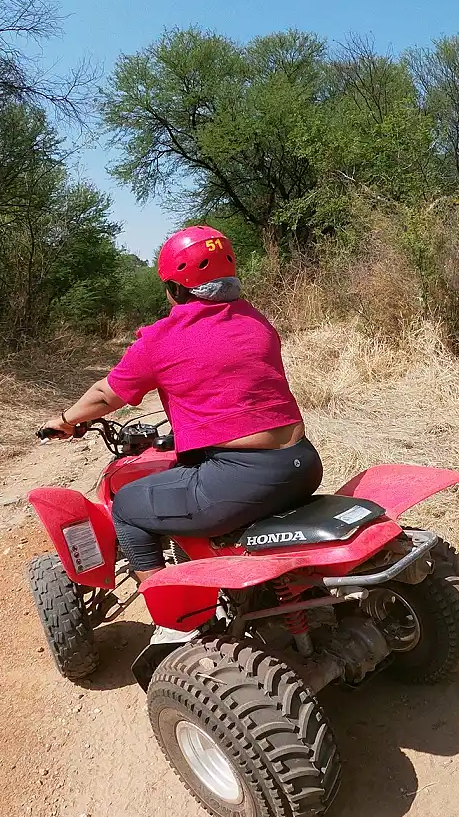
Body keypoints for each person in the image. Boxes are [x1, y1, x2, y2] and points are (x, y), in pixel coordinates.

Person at [40, 225, 323, 582]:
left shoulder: (162, 340)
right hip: (303, 465)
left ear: (175, 288)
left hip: (243, 479)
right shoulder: (255, 320)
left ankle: (171, 616)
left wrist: (64, 420)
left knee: (128, 507)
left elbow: (104, 395)